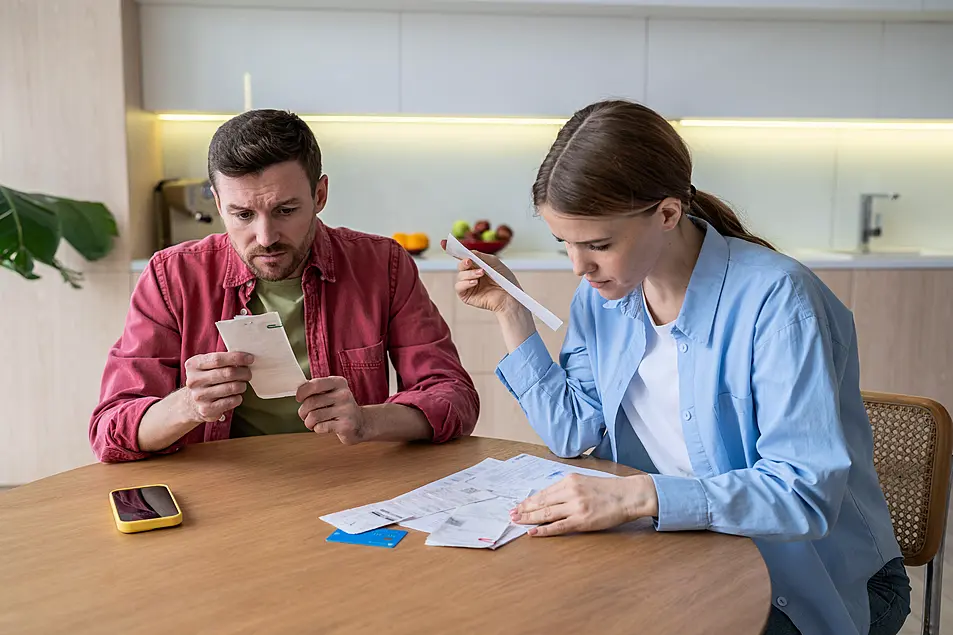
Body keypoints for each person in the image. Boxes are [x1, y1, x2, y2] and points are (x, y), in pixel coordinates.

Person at [452, 100, 909, 635]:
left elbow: (802, 496)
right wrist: (512, 313)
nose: (580, 267)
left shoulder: (779, 301)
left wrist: (638, 495)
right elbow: (574, 429)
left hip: (813, 579)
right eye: (566, 245)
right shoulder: (601, 297)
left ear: (668, 214)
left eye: (599, 244)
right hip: (686, 549)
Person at [91, 109, 478, 462]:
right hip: (222, 491)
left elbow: (454, 397)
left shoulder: (383, 265)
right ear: (218, 203)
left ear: (320, 195)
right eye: (242, 214)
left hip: (350, 484)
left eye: (286, 211)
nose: (265, 236)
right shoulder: (171, 276)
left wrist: (367, 421)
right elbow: (110, 431)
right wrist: (188, 407)